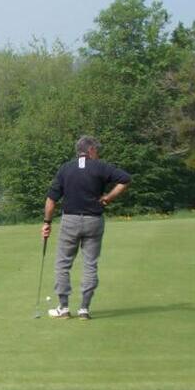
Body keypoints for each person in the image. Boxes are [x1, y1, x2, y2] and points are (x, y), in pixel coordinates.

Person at [42, 136, 131, 320]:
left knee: (63, 263)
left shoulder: (66, 168)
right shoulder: (100, 166)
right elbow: (125, 179)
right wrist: (108, 198)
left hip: (70, 221)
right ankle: (84, 309)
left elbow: (51, 200)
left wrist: (47, 223)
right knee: (90, 264)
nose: (97, 153)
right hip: (94, 221)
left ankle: (64, 308)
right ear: (90, 150)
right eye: (96, 150)